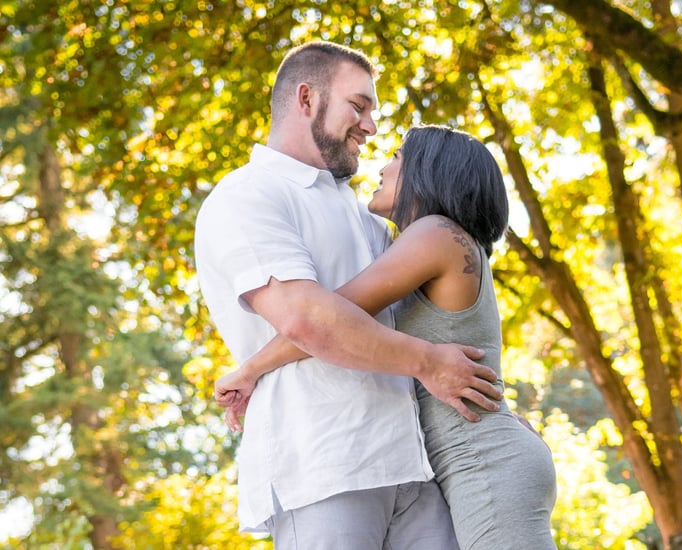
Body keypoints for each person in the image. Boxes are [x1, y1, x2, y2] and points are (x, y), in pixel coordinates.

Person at [194, 41, 503, 550]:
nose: (371, 127)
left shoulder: (364, 216)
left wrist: (499, 424)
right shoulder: (247, 195)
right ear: (306, 98)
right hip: (324, 466)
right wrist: (429, 362)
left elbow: (429, 313)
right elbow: (306, 319)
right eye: (358, 107)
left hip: (414, 467)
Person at [219, 125, 559, 549]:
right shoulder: (444, 243)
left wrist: (250, 369)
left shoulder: (436, 234)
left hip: (483, 462)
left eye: (397, 156)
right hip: (482, 459)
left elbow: (332, 317)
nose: (382, 167)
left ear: (428, 169)